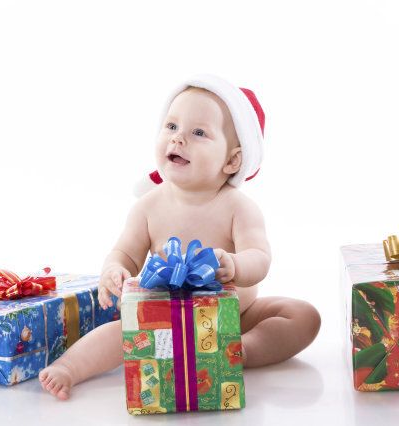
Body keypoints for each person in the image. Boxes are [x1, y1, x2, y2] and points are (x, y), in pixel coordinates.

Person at [39, 74, 321, 400]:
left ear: (232, 160)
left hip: (231, 319)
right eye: (171, 127)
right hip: (163, 321)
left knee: (302, 316)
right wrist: (114, 272)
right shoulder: (149, 206)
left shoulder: (238, 208)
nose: (178, 139)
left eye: (198, 132)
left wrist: (234, 265)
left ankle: (242, 350)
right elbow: (125, 254)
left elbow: (259, 257)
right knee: (117, 332)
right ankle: (69, 368)